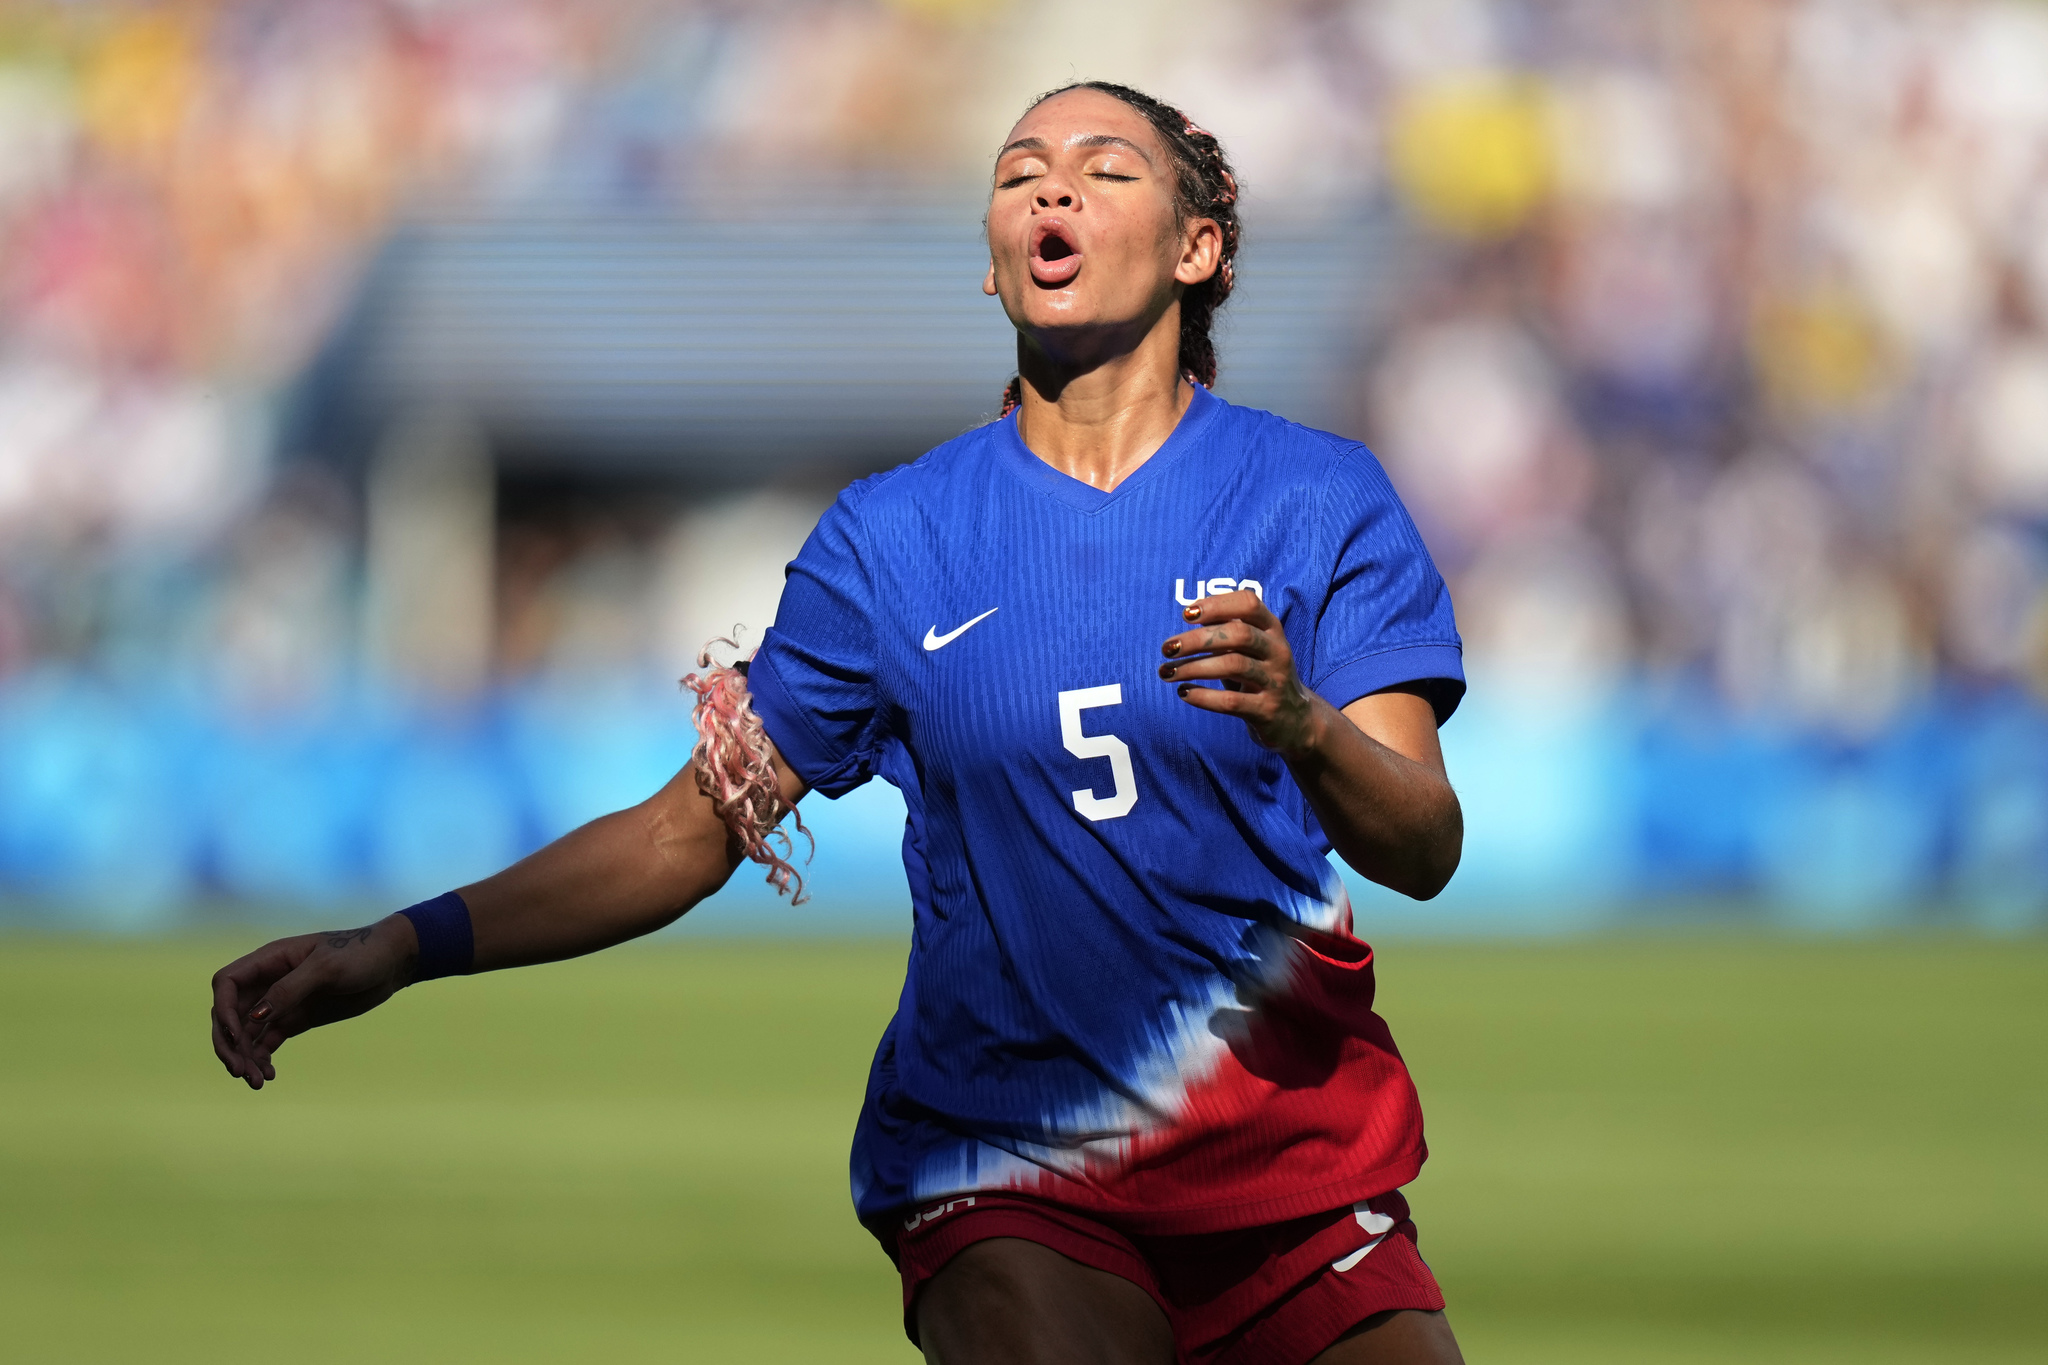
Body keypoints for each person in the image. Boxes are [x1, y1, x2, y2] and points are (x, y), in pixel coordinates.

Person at [209, 82, 1468, 1365]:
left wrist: (1303, 724)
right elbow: (683, 835)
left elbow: (1423, 846)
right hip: (1005, 1161)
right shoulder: (893, 540)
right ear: (991, 263)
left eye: (1103, 169)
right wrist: (400, 946)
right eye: (1018, 170)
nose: (1050, 187)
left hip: (1292, 1163)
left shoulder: (1317, 497)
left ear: (1195, 249)